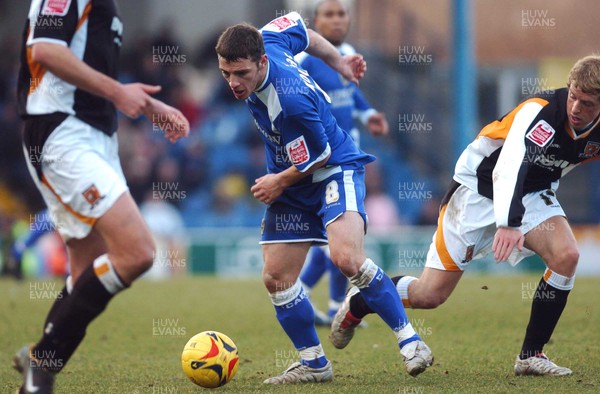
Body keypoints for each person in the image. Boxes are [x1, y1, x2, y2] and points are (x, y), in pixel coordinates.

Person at [330, 55, 600, 377]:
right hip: (477, 190)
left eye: (587, 103)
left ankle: (530, 356)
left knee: (566, 255)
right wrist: (509, 223)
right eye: (573, 96)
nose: (575, 108)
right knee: (430, 295)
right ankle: (361, 300)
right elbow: (509, 165)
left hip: (533, 193)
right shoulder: (540, 113)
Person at [215, 12, 432, 384]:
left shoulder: (290, 102)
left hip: (334, 167)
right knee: (277, 277)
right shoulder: (267, 39)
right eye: (225, 73)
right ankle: (314, 363)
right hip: (294, 180)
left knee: (347, 259)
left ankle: (410, 342)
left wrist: (278, 181)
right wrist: (339, 61)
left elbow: (321, 155)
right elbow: (302, 27)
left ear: (262, 62)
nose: (233, 83)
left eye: (241, 74)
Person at [13, 1, 189, 393]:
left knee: (86, 269)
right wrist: (119, 92)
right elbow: (46, 50)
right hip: (63, 134)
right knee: (138, 251)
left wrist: (147, 105)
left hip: (95, 136)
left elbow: (88, 72)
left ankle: (40, 356)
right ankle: (42, 365)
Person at [295, 0, 389, 326]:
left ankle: (316, 297)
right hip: (323, 158)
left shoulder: (347, 52)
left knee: (339, 237)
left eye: (342, 14)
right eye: (329, 15)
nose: (337, 20)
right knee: (338, 236)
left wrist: (369, 114)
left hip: (350, 154)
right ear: (315, 22)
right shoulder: (303, 61)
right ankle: (318, 298)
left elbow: (352, 92)